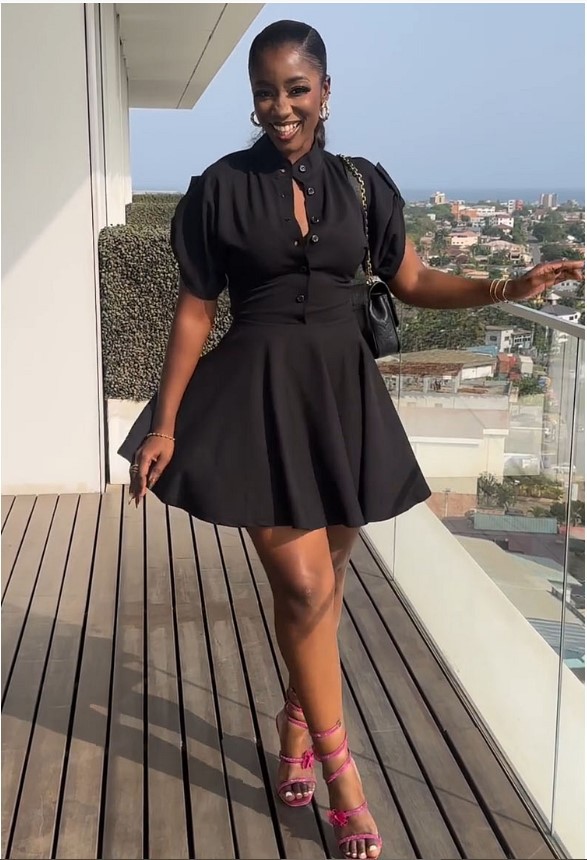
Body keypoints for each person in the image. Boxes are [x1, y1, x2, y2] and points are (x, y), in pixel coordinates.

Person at [121, 20, 584, 860]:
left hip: (340, 401)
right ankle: (345, 781)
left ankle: (295, 722)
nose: (280, 106)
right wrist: (165, 423)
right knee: (302, 589)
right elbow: (194, 309)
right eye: (265, 92)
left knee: (325, 586)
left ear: (325, 92)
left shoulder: (363, 186)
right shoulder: (220, 188)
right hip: (258, 402)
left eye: (296, 89)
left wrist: (505, 285)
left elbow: (412, 279)